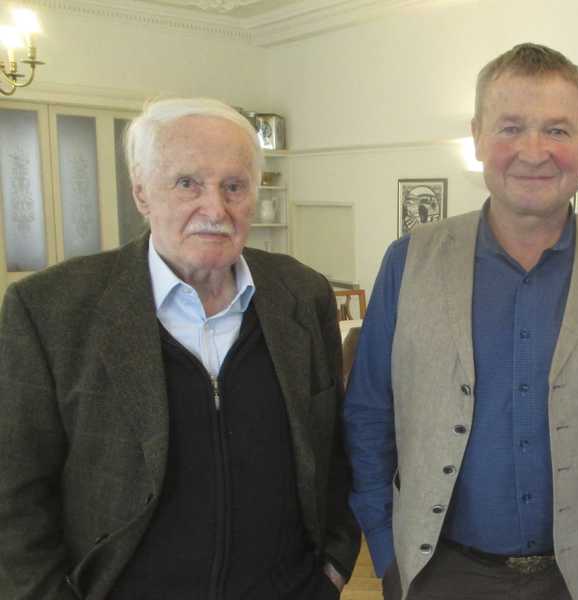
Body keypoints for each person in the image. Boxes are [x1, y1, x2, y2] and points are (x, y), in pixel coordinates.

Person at [345, 43, 578, 600]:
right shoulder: (407, 262)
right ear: (477, 137)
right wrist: (387, 552)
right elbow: (368, 416)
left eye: (557, 130)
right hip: (438, 577)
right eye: (511, 128)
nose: (534, 152)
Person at [0, 97, 361, 599]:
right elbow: (13, 497)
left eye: (233, 186)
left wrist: (334, 566)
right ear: (141, 193)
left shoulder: (303, 294)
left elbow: (334, 448)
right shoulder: (50, 310)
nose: (215, 209)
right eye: (187, 183)